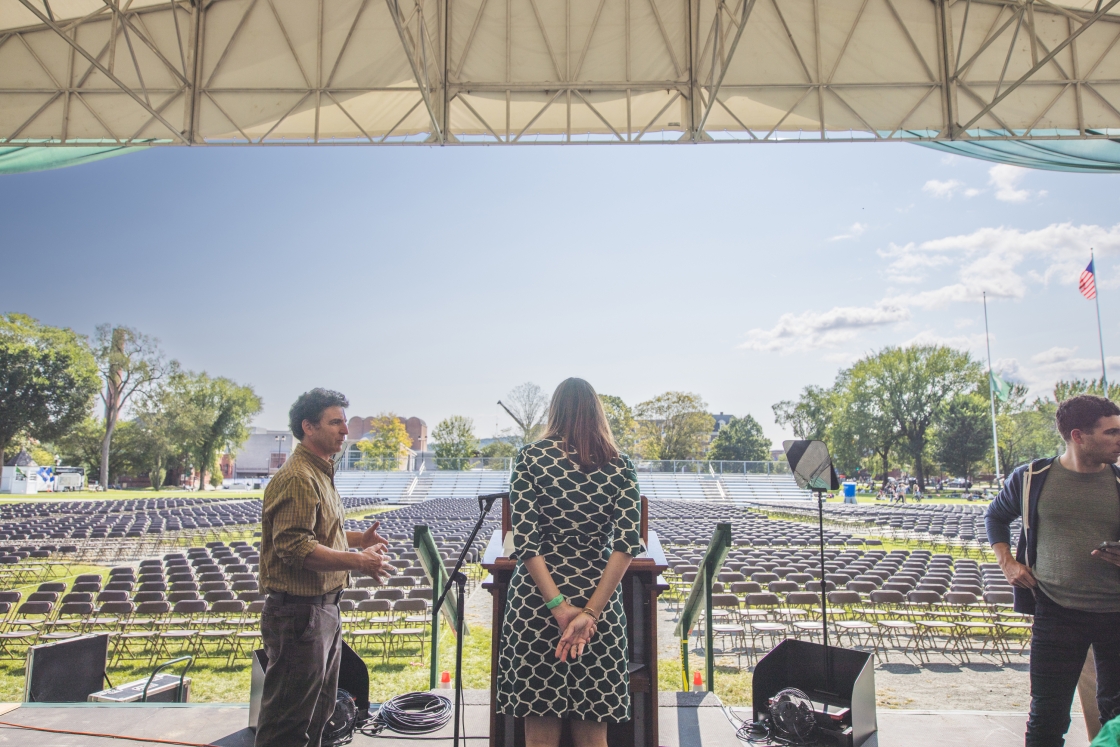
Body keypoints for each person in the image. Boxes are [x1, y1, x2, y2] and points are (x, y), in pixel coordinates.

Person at [496, 378, 643, 747]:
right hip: (598, 602)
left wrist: (559, 608)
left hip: (537, 602)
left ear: (555, 410)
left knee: (539, 736)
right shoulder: (622, 466)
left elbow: (526, 543)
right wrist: (589, 613)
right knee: (594, 735)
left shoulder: (530, 457)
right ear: (597, 412)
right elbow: (626, 545)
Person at [255, 388, 394, 747]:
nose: (345, 431)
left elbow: (319, 532)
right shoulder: (299, 477)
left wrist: (357, 539)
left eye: (345, 423)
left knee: (318, 715)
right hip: (300, 614)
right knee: (288, 723)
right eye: (336, 423)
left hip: (321, 611)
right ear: (308, 427)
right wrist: (358, 561)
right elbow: (294, 547)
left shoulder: (319, 473)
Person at [985, 394, 1120, 747]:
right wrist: (1008, 564)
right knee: (1048, 715)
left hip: (1116, 613)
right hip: (1055, 612)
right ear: (1078, 436)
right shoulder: (1032, 478)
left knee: (1117, 715)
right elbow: (996, 517)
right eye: (1111, 433)